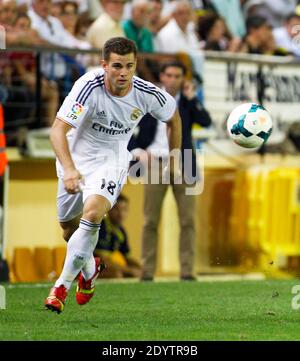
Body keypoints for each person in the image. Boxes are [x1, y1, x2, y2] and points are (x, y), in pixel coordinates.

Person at [44, 37, 182, 313]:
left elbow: (174, 118)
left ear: (135, 65)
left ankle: (61, 287)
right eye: (117, 66)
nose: (123, 73)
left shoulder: (146, 93)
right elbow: (57, 130)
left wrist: (175, 158)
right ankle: (90, 268)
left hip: (113, 158)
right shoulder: (87, 86)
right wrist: (70, 169)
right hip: (77, 156)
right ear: (104, 64)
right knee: (69, 231)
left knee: (93, 214)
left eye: (129, 66)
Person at [128, 61, 212, 281]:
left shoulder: (188, 103)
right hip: (155, 163)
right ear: (162, 77)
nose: (173, 80)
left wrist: (193, 98)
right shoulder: (150, 99)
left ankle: (187, 271)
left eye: (177, 76)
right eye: (169, 75)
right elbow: (128, 127)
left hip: (185, 163)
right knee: (150, 220)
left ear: (183, 79)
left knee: (188, 221)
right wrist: (138, 151)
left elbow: (206, 121)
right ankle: (147, 272)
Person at [94, 194, 141, 278]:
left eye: (124, 210)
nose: (120, 214)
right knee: (116, 274)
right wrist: (130, 270)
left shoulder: (121, 231)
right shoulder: (102, 226)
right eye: (116, 209)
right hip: (82, 267)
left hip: (98, 266)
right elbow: (103, 260)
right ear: (108, 209)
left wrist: (141, 269)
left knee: (136, 272)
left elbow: (127, 258)